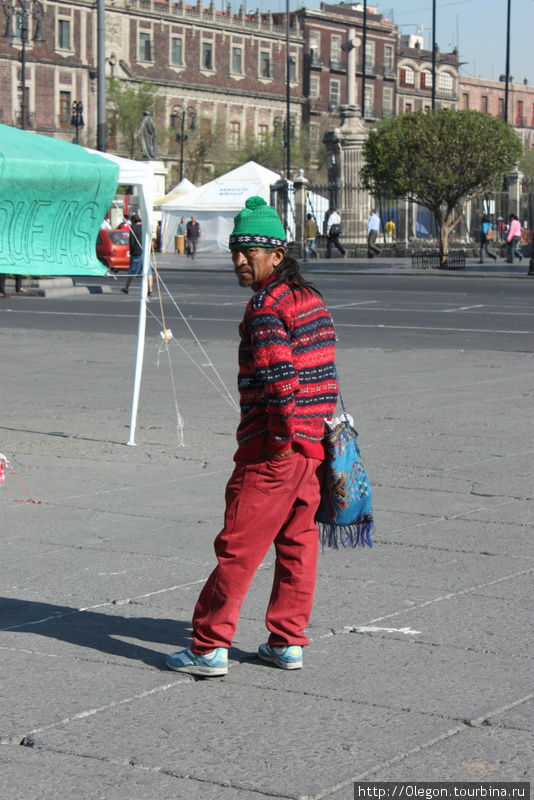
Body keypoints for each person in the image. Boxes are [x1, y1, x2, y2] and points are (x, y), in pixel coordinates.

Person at [165, 195, 338, 677]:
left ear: (277, 255)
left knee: (238, 546)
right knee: (298, 545)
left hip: (276, 450)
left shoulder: (266, 307)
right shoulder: (310, 298)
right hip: (313, 449)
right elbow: (325, 375)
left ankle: (208, 646)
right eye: (235, 251)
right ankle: (287, 641)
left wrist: (278, 440)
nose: (239, 261)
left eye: (250, 253)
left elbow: (282, 386)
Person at [121, 214, 154, 295]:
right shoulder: (145, 228)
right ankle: (150, 289)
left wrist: (131, 253)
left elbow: (131, 243)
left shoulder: (133, 229)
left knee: (132, 271)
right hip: (145, 252)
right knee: (148, 271)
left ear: (133, 221)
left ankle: (126, 288)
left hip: (136, 252)